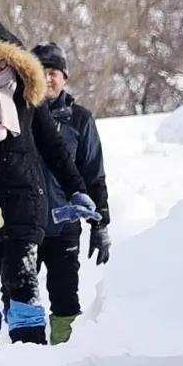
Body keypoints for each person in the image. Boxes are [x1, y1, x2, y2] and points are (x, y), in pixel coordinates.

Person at [0, 14, 98, 345]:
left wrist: (76, 189)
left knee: (24, 281)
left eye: (2, 57)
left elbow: (54, 148)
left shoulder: (26, 93)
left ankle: (31, 351)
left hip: (24, 202)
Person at [32, 41, 111, 344]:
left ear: (64, 77)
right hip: (23, 226)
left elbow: (93, 173)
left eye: (54, 72)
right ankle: (21, 356)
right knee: (18, 297)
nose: (47, 78)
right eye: (41, 71)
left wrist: (100, 224)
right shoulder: (17, 114)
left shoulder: (80, 119)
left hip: (64, 226)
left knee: (65, 299)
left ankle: (63, 355)